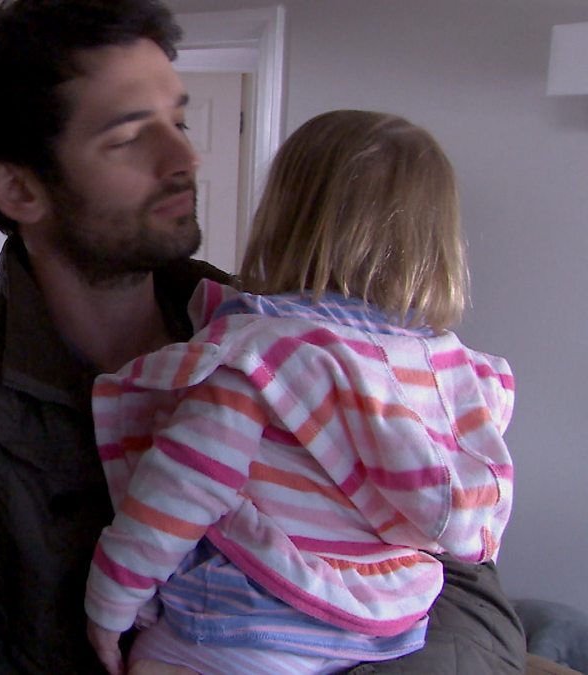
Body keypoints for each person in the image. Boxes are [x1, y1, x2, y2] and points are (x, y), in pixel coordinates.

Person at [0, 1, 528, 673]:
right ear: (19, 190)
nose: (184, 157)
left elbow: (466, 598)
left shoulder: (285, 337)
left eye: (179, 120)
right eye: (130, 136)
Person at [84, 109, 515, 675]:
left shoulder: (261, 353)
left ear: (284, 220)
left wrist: (112, 604)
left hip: (246, 624)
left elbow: (182, 486)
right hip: (380, 627)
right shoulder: (452, 377)